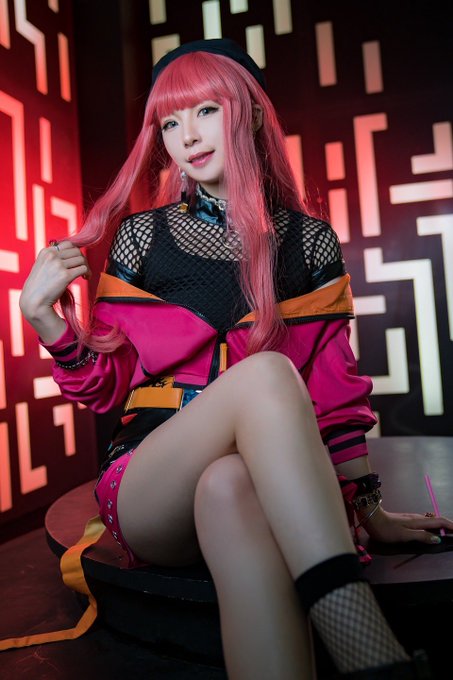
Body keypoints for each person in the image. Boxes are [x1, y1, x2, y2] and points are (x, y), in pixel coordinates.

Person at [20, 38, 450, 679]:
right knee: (268, 373)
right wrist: (45, 320)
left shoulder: (309, 242)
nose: (187, 137)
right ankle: (371, 653)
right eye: (169, 122)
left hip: (249, 477)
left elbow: (334, 393)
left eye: (204, 111)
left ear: (248, 113)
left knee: (231, 483)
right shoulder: (141, 238)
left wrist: (369, 509)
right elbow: (106, 387)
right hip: (151, 481)